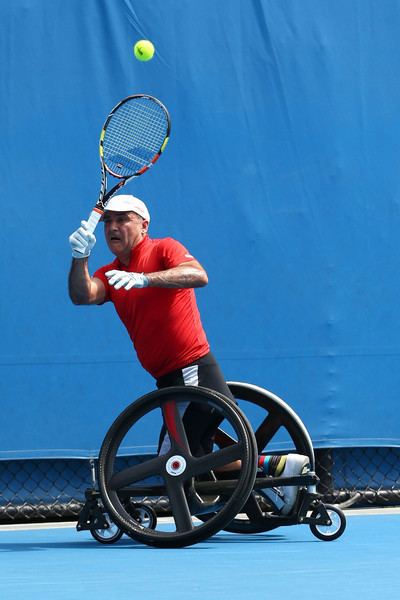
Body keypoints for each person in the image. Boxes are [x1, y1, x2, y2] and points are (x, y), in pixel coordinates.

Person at [68, 194, 309, 514]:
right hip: (170, 379)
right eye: (108, 221)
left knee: (174, 463)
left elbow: (198, 274)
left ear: (143, 225)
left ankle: (126, 509)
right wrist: (79, 257)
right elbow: (83, 295)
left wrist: (144, 279)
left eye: (122, 219)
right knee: (193, 457)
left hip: (191, 371)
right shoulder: (111, 273)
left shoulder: (163, 248)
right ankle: (278, 468)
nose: (113, 226)